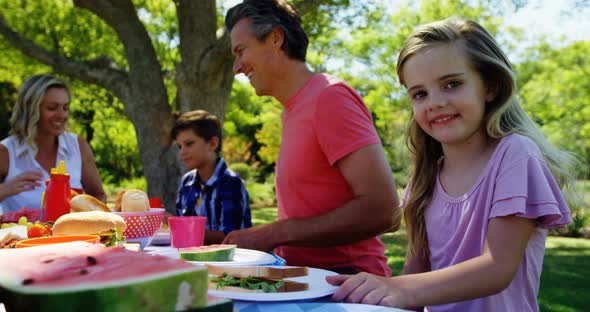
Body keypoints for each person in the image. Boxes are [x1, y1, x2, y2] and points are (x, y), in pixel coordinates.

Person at [327, 18, 576, 311]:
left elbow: (496, 268)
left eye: (452, 84)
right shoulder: (424, 179)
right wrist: (377, 299)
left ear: (490, 86)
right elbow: (415, 274)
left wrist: (398, 288)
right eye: (420, 93)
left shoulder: (516, 154)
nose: (434, 102)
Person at [222, 0, 400, 276]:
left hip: (347, 284)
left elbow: (384, 210)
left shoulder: (330, 97)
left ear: (275, 38)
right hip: (302, 280)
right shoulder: (291, 110)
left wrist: (274, 233)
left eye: (240, 51)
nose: (237, 67)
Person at [0, 75, 106, 221]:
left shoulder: (78, 146)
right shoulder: (5, 152)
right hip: (21, 241)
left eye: (65, 108)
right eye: (52, 108)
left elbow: (98, 196)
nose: (62, 115)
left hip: (72, 240)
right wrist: (5, 190)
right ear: (30, 109)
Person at [172, 110, 252, 245]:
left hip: (231, 262)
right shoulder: (187, 181)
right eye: (180, 146)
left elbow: (230, 237)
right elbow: (184, 230)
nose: (182, 152)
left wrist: (177, 227)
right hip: (195, 259)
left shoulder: (231, 183)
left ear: (213, 144)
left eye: (189, 144)